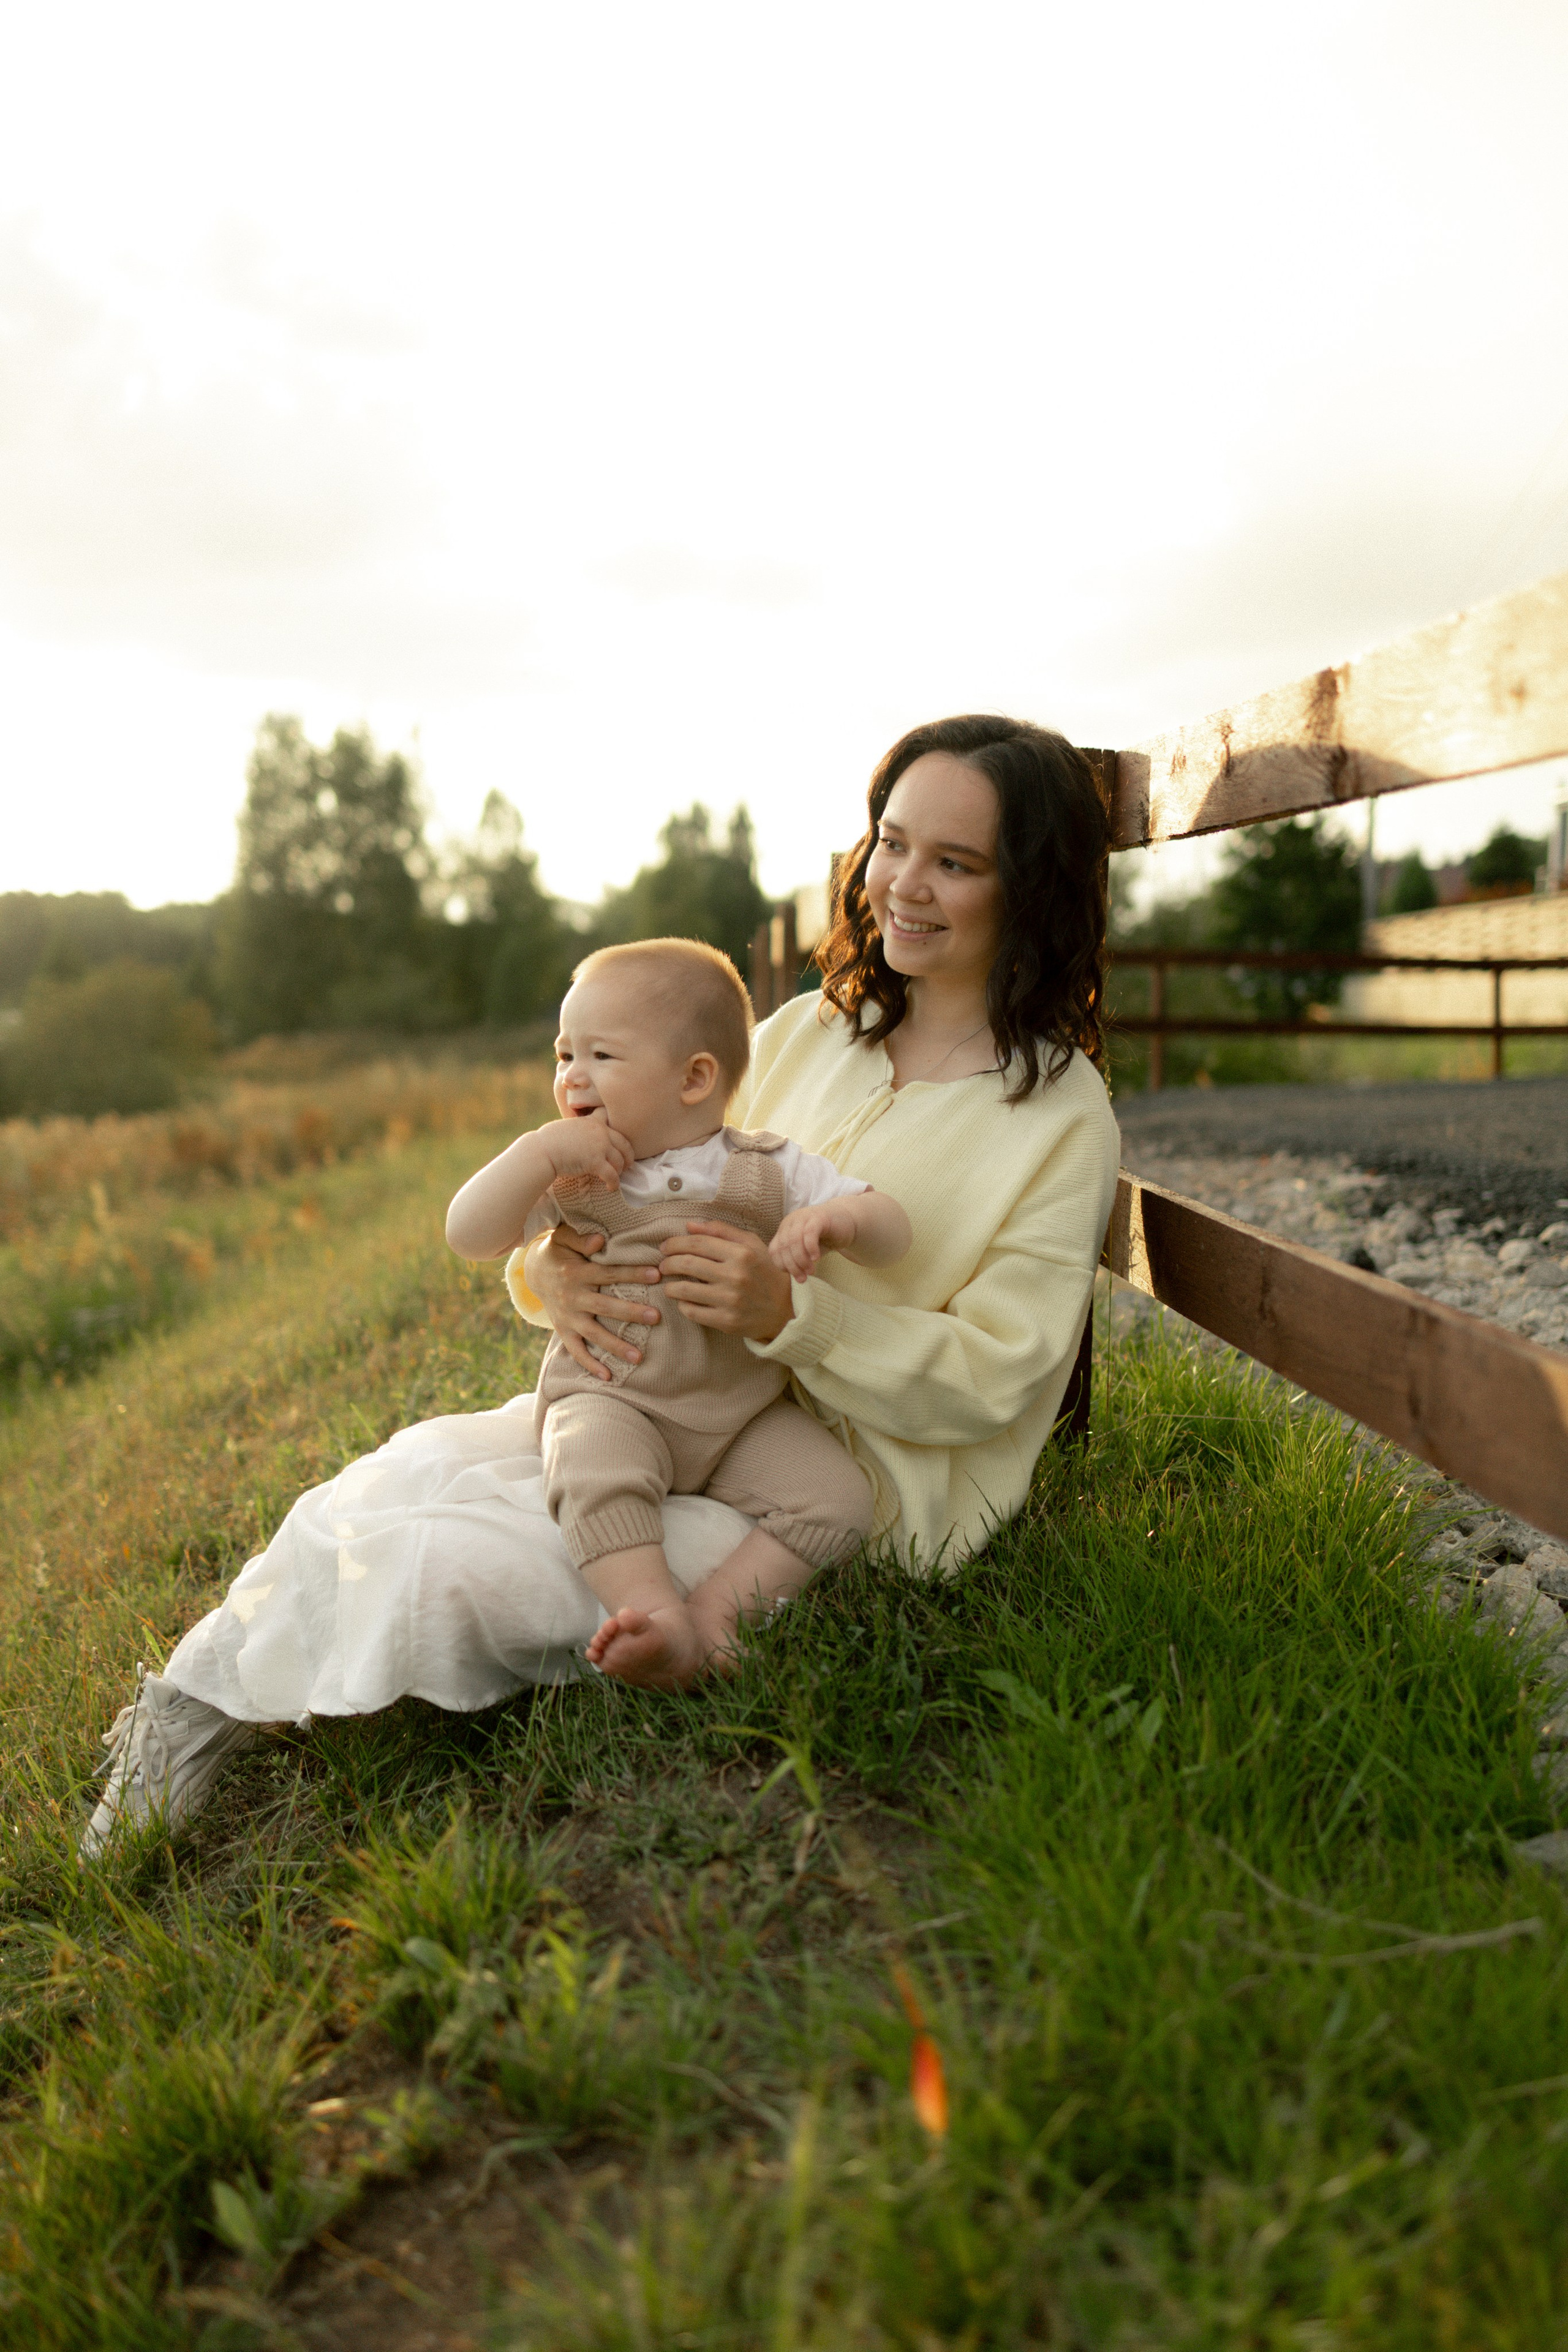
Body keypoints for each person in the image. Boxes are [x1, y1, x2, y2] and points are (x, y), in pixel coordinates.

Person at [80, 714, 1120, 1860]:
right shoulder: (807, 1034)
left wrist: (796, 1319)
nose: (904, 885)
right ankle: (187, 1703)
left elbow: (999, 1378)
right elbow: (634, 1181)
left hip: (841, 1482)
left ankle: (677, 1637)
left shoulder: (1058, 1118)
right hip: (663, 1385)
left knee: (443, 1559)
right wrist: (551, 1277)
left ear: (1030, 889)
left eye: (955, 863)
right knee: (403, 1471)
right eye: (893, 843)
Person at [445, 937, 911, 1690]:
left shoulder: (768, 1167)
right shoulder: (571, 1173)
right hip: (613, 1396)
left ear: (694, 1078)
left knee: (839, 1500)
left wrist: (835, 1222)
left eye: (600, 1055)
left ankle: (720, 1617)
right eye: (563, 1055)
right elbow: (468, 1235)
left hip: (739, 1415)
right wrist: (536, 1153)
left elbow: (894, 1233)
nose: (571, 1076)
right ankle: (655, 1617)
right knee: (593, 1468)